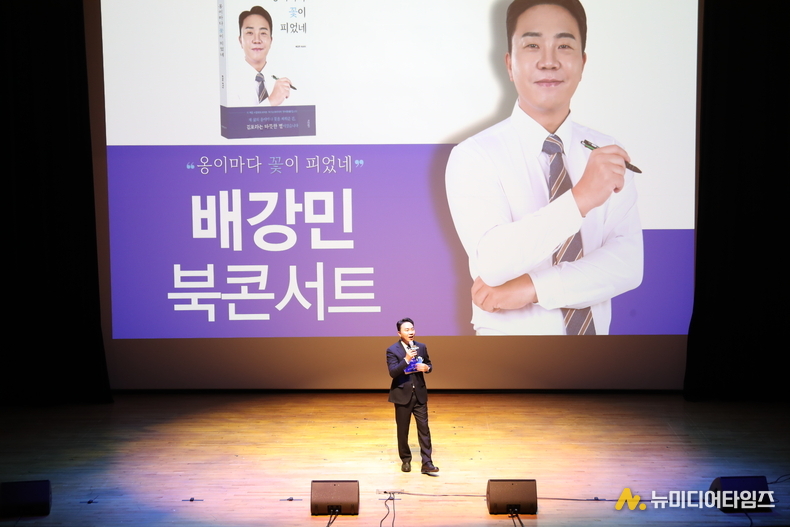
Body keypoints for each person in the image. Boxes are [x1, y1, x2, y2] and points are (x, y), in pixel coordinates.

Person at [445, 0, 643, 336]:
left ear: (582, 63)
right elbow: (492, 263)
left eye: (564, 46)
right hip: (508, 359)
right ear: (510, 64)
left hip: (597, 357)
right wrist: (580, 199)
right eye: (532, 45)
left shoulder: (606, 151)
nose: (549, 61)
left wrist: (533, 287)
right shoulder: (474, 155)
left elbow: (627, 264)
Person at [386, 318, 438, 474]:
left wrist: (427, 368)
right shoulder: (392, 350)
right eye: (407, 330)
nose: (411, 332)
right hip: (402, 395)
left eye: (412, 329)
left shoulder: (421, 347)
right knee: (403, 430)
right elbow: (393, 372)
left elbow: (429, 364)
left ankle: (427, 463)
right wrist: (406, 359)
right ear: (399, 333)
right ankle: (406, 460)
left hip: (419, 394)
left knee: (424, 429)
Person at [233, 6, 292, 106]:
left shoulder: (283, 82)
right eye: (250, 33)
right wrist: (271, 101)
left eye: (263, 33)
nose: (257, 40)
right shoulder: (230, 83)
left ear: (270, 40)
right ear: (240, 40)